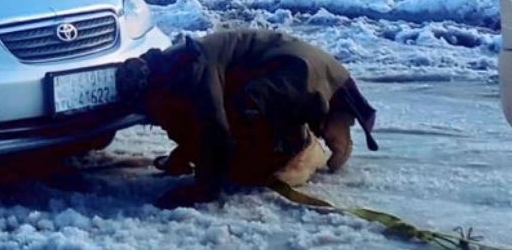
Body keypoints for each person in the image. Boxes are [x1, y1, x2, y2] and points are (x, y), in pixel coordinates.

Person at [115, 28, 379, 209]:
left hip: (300, 70)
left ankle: (300, 149)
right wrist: (184, 155)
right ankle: (318, 136)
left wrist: (202, 189)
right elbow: (192, 120)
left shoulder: (193, 70)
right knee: (239, 116)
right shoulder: (172, 66)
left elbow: (213, 129)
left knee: (245, 115)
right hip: (301, 64)